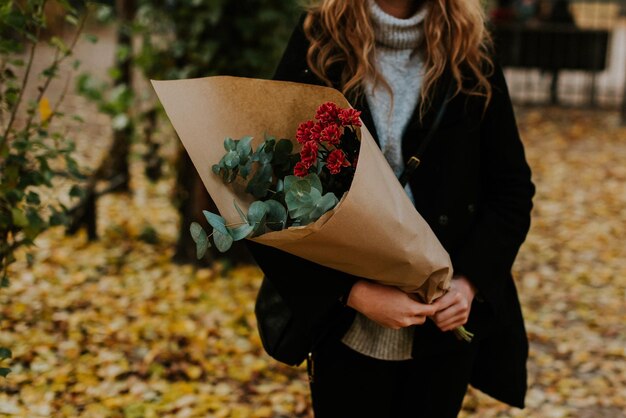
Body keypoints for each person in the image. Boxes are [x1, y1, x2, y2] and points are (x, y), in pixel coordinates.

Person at [245, 0, 535, 417]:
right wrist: (352, 293)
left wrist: (468, 282)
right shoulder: (320, 39)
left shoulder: (469, 47)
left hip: (442, 327)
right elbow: (269, 193)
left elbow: (511, 189)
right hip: (344, 327)